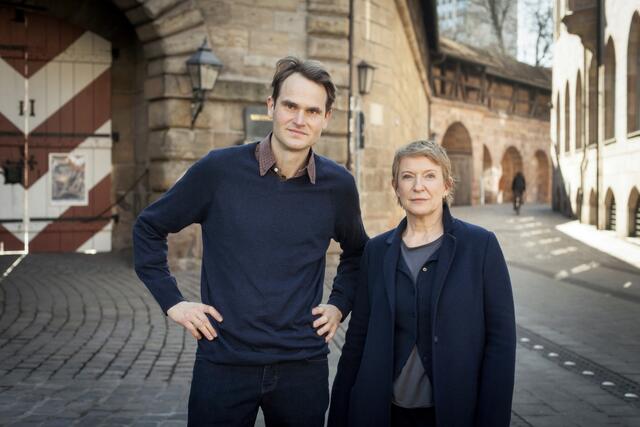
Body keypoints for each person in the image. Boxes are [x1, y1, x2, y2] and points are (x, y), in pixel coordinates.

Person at [133, 56, 368, 427]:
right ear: (271, 106)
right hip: (224, 363)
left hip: (302, 366)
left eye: (312, 110)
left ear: (326, 118)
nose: (299, 119)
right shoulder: (218, 171)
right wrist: (173, 303)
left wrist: (339, 304)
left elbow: (358, 253)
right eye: (290, 105)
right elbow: (149, 227)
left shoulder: (338, 186)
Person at [328, 140, 516, 427]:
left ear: (446, 186)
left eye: (429, 175)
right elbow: (357, 339)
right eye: (408, 176)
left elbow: (501, 342)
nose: (418, 186)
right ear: (396, 187)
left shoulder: (481, 246)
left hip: (455, 411)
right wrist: (340, 413)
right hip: (385, 412)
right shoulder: (376, 252)